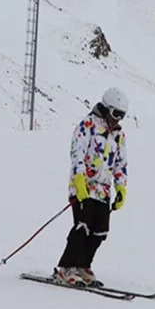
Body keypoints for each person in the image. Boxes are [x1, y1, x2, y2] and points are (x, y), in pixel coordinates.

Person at [54, 87, 129, 287]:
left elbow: (120, 164)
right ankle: (67, 267)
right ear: (106, 109)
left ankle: (83, 265)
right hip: (83, 186)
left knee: (100, 230)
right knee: (83, 227)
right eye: (116, 114)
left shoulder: (118, 136)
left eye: (122, 116)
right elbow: (77, 154)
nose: (118, 120)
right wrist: (79, 180)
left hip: (103, 190)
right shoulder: (87, 126)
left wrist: (121, 188)